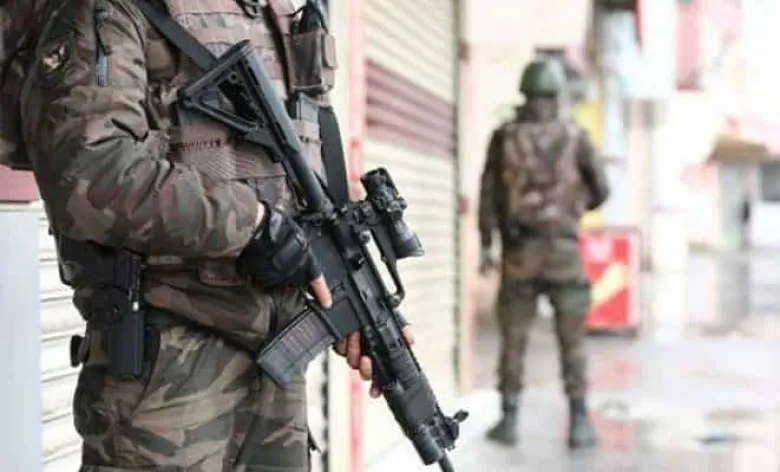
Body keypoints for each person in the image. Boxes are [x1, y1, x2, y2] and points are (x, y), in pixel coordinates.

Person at [20, 0, 412, 470]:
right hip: (165, 372)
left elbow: (295, 171)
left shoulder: (277, 11)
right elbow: (90, 172)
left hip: (277, 371)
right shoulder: (115, 9)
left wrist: (355, 298)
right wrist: (254, 227)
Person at [478, 58, 610, 449]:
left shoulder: (504, 136)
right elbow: (602, 190)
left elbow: (488, 196)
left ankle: (508, 420)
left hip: (520, 254)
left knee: (513, 340)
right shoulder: (576, 136)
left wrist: (487, 244)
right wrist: (573, 207)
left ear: (525, 93)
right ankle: (579, 422)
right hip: (564, 253)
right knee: (572, 342)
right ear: (557, 94)